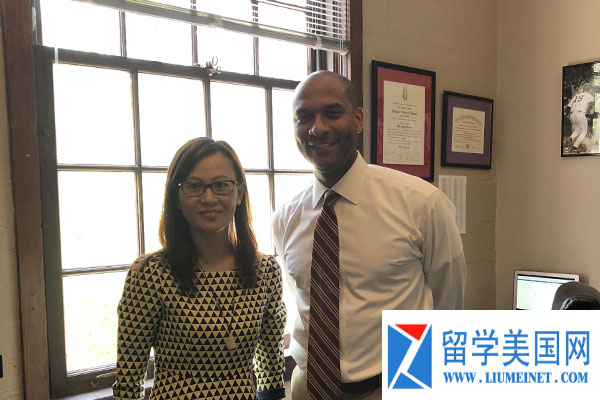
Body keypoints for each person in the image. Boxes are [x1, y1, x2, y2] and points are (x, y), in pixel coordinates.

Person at [272, 71, 466, 399]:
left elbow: (449, 303)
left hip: (394, 385)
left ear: (358, 119)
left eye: (332, 113)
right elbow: (302, 298)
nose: (317, 128)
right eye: (303, 117)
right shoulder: (286, 217)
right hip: (309, 387)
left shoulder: (420, 202)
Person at [113, 137, 286, 400]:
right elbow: (128, 379)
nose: (209, 198)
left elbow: (270, 368)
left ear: (239, 193)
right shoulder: (150, 275)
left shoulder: (266, 271)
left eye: (221, 185)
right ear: (177, 197)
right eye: (194, 186)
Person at [565, 83, 596, 153]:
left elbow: (568, 107)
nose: (592, 91)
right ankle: (575, 147)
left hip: (572, 114)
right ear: (589, 90)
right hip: (581, 113)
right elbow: (590, 106)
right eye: (592, 89)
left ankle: (570, 139)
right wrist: (588, 116)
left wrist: (568, 115)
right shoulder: (589, 95)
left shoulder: (576, 96)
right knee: (584, 131)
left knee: (577, 130)